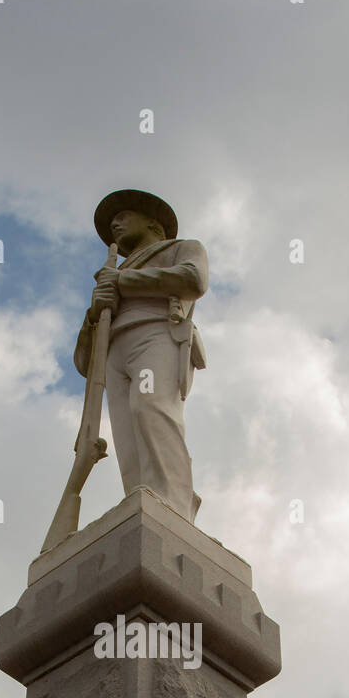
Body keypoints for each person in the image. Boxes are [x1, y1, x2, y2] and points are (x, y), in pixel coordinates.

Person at [73, 189, 208, 523]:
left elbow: (193, 279)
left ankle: (173, 505)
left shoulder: (180, 248)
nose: (116, 225)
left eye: (123, 216)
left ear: (153, 224)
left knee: (150, 409)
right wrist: (95, 312)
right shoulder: (110, 278)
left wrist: (124, 281)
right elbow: (83, 363)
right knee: (127, 434)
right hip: (113, 350)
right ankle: (142, 501)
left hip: (156, 332)